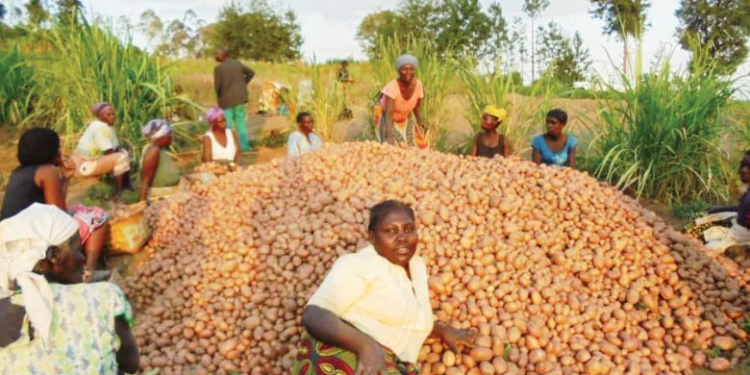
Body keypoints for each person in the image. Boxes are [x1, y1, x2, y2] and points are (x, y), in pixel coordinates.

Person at [293, 200, 477, 375]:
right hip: (342, 352)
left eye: (409, 229)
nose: (402, 238)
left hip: (391, 362)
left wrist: (442, 330)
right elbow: (313, 315)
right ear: (372, 236)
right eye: (390, 231)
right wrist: (366, 347)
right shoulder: (357, 264)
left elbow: (408, 318)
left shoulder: (417, 266)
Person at [0, 203, 139, 375]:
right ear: (53, 256)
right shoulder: (104, 297)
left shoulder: (3, 309)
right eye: (78, 248)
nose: (83, 257)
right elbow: (130, 364)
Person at [1, 128, 109, 282]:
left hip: (14, 235)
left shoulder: (18, 173)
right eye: (58, 147)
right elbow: (59, 215)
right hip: (35, 236)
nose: (60, 151)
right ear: (49, 152)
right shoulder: (48, 171)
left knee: (78, 209)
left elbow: (52, 208)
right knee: (98, 216)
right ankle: (87, 271)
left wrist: (64, 179)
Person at [686, 162, 750, 254]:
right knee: (695, 226)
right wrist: (721, 209)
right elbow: (741, 209)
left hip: (742, 233)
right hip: (737, 223)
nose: (743, 171)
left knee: (706, 248)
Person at [72, 102, 131, 193]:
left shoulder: (108, 125)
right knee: (121, 157)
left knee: (123, 153)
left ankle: (126, 187)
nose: (112, 116)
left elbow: (116, 146)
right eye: (108, 115)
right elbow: (108, 152)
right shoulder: (99, 127)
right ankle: (118, 192)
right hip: (82, 166)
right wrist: (122, 155)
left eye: (113, 114)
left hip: (89, 161)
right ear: (100, 117)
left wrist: (122, 151)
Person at [373, 54, 429, 149]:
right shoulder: (392, 87)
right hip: (384, 115)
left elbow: (416, 108)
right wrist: (389, 136)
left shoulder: (418, 85)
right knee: (394, 145)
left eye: (411, 69)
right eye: (404, 69)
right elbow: (389, 114)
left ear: (415, 70)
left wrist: (421, 121)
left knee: (418, 145)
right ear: (398, 71)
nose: (408, 72)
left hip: (403, 116)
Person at [214, 47, 254, 151]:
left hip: (226, 100)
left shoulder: (219, 69)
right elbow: (251, 73)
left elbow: (217, 86)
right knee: (241, 123)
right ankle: (244, 146)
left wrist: (219, 97)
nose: (215, 56)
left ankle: (230, 147)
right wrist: (243, 84)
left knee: (227, 124)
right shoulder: (237, 64)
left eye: (217, 54)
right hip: (240, 98)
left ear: (222, 55)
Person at [139, 119, 181, 202]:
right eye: (169, 134)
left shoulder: (163, 149)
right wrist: (142, 203)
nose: (171, 136)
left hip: (170, 196)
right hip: (159, 199)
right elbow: (146, 181)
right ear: (161, 136)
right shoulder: (153, 150)